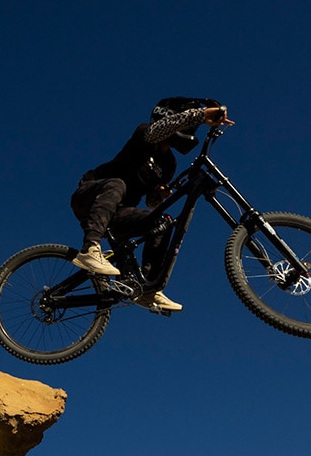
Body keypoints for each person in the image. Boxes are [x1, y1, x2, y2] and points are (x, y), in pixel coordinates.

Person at [69, 97, 233, 312]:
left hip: (119, 214)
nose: (189, 129)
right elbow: (160, 130)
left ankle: (147, 288)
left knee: (162, 222)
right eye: (186, 123)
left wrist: (159, 195)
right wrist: (201, 115)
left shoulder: (168, 164)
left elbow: (150, 202)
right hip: (90, 197)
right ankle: (90, 249)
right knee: (117, 184)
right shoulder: (145, 133)